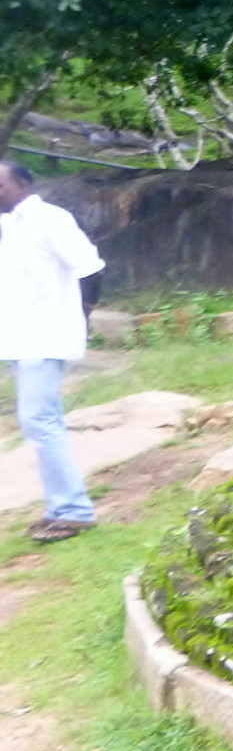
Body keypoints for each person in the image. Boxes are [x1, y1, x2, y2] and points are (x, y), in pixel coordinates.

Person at [0, 161, 105, 541]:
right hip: (20, 337)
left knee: (39, 422)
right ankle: (60, 507)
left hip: (44, 336)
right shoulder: (10, 225)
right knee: (43, 422)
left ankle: (74, 510)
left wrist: (84, 315)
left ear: (24, 183)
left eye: (0, 185)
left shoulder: (50, 219)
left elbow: (90, 269)